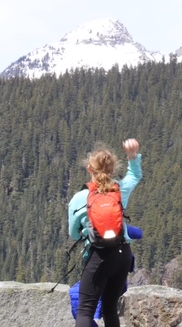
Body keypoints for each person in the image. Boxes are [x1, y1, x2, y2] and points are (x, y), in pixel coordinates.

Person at [68, 138, 142, 327]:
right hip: (123, 255)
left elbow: (74, 233)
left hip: (98, 256)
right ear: (112, 170)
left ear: (90, 170)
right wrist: (133, 156)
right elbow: (134, 176)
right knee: (110, 308)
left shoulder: (80, 198)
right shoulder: (119, 190)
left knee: (85, 310)